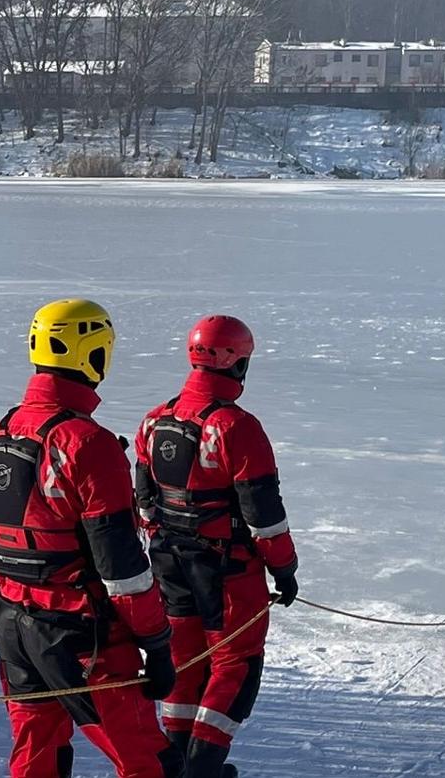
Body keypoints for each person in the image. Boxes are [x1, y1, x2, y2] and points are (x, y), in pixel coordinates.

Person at [0, 299, 180, 778]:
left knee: (38, 754)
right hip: (83, 634)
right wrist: (157, 640)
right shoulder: (87, 444)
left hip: (14, 625)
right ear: (95, 355)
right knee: (151, 764)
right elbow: (123, 567)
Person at [134, 316, 300, 778]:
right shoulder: (237, 427)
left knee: (186, 657)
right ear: (239, 363)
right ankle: (202, 767)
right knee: (235, 663)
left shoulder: (154, 419)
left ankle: (180, 761)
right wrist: (284, 569)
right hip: (226, 570)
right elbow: (263, 515)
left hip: (168, 561)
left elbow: (143, 501)